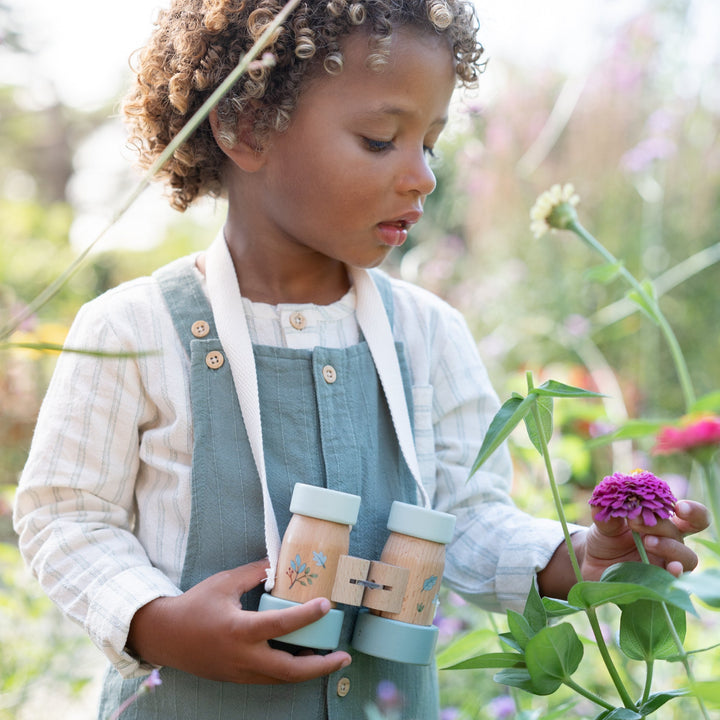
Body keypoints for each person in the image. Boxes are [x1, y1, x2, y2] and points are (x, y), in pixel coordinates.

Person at [13, 0, 709, 717]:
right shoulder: (132, 330)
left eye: (430, 145)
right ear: (244, 127)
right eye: (381, 140)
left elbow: (466, 517)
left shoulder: (429, 335)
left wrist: (581, 557)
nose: (422, 177)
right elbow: (66, 518)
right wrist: (154, 621)